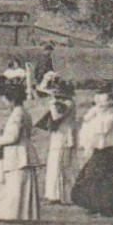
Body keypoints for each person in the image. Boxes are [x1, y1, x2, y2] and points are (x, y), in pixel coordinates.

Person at [0, 76, 42, 223]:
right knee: (19, 184)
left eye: (5, 99)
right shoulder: (24, 112)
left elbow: (13, 137)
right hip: (23, 150)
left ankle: (14, 213)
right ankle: (22, 213)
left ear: (11, 99)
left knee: (15, 184)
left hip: (17, 152)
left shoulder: (16, 114)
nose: (4, 102)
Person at [72, 83, 113, 217]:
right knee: (94, 174)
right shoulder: (100, 112)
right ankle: (94, 204)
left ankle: (107, 206)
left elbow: (109, 130)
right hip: (101, 147)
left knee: (108, 176)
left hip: (111, 148)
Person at [36, 75, 80, 204]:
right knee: (55, 164)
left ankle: (61, 196)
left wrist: (52, 103)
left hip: (65, 137)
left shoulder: (67, 103)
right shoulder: (63, 102)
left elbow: (56, 117)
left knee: (61, 166)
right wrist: (46, 80)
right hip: (59, 136)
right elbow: (41, 90)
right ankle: (56, 195)